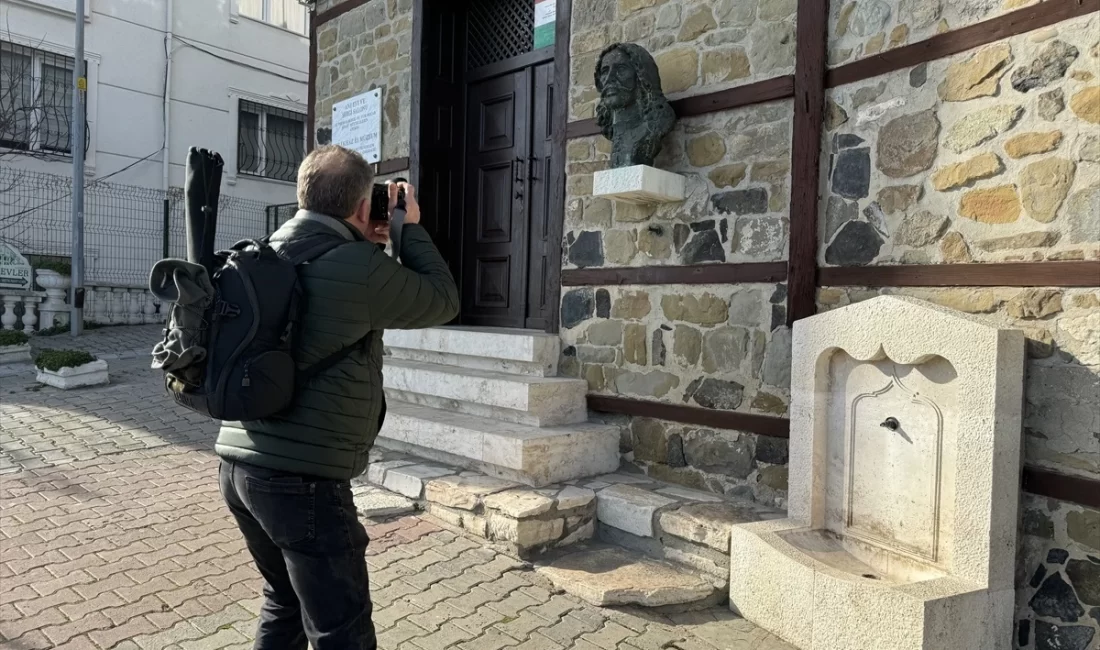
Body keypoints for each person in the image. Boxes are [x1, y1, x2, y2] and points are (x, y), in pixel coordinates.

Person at [214, 145, 459, 650]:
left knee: (283, 603)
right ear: (360, 203)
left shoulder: (263, 250)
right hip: (303, 482)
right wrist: (407, 229)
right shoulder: (361, 266)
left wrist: (359, 236)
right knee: (341, 631)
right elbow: (442, 299)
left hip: (238, 466)